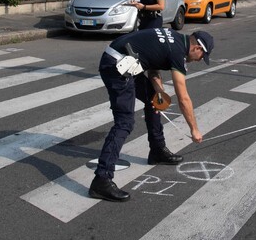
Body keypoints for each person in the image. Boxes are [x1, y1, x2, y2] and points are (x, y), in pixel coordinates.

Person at [89, 28, 214, 202]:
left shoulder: (175, 39)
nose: (200, 60)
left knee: (153, 100)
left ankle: (157, 151)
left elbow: (153, 67)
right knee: (124, 122)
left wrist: (159, 91)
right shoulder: (178, 52)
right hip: (116, 66)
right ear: (197, 48)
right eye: (202, 57)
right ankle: (102, 179)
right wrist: (194, 129)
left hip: (127, 61)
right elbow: (183, 98)